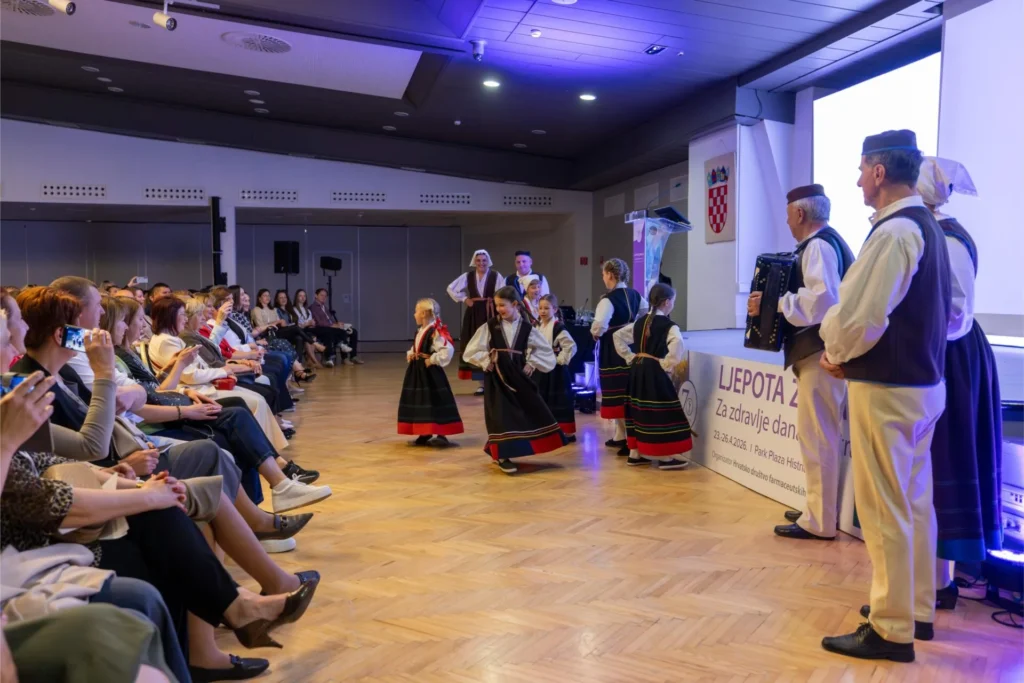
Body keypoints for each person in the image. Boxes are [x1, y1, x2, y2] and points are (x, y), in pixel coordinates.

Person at [819, 130, 951, 662]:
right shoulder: (929, 227)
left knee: (883, 509)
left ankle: (891, 627)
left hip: (888, 389)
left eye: (860, 170)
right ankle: (916, 608)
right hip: (923, 386)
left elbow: (860, 315)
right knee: (914, 504)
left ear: (879, 172)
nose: (857, 181)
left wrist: (837, 352)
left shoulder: (894, 232)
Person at [746, 184, 855, 541]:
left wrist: (775, 303)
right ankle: (817, 508)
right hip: (820, 353)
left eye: (788, 215)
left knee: (818, 436)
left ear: (799, 213)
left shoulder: (818, 246)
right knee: (818, 435)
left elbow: (823, 301)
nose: (787, 222)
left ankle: (819, 519)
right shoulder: (826, 243)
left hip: (819, 353)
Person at [917, 156, 1003, 607]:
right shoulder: (931, 232)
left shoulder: (947, 239)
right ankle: (930, 580)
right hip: (940, 352)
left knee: (944, 460)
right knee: (932, 464)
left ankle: (939, 582)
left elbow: (956, 311)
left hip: (951, 356)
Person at [463, 286, 567, 475]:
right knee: (500, 415)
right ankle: (502, 456)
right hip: (497, 377)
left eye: (502, 305)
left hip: (518, 377)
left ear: (515, 305)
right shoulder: (490, 326)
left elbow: (545, 351)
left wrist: (532, 363)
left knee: (526, 411)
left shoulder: (527, 328)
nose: (498, 309)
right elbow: (471, 350)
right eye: (497, 305)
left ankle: (506, 449)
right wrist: (485, 360)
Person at [613, 283, 691, 470]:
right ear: (666, 302)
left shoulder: (639, 322)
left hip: (637, 369)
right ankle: (664, 457)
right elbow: (677, 345)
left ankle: (635, 454)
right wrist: (666, 364)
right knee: (660, 411)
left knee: (637, 409)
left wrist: (631, 357)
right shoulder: (669, 326)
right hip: (653, 371)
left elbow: (617, 336)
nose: (673, 304)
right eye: (673, 301)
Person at [591, 258, 648, 456]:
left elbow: (600, 325)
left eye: (603, 274)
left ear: (610, 274)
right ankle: (620, 435)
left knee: (618, 393)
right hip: (630, 344)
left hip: (612, 348)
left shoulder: (607, 300)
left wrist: (595, 333)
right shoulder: (636, 295)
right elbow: (644, 313)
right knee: (625, 391)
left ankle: (628, 439)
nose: (603, 278)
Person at [397, 298, 464, 446]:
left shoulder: (435, 332)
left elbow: (447, 350)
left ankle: (441, 432)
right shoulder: (420, 331)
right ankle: (425, 431)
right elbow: (417, 347)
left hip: (430, 373)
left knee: (435, 400)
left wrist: (432, 359)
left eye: (416, 311)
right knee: (421, 400)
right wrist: (412, 354)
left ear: (423, 314)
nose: (414, 314)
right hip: (417, 372)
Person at [448, 249, 503, 395]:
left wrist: (498, 307)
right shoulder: (468, 276)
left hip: (491, 312)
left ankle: (496, 381)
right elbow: (451, 288)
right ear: (474, 261)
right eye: (478, 260)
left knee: (492, 343)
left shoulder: (495, 275)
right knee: (475, 344)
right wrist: (465, 299)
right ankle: (481, 383)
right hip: (474, 314)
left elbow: (503, 292)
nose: (481, 263)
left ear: (488, 261)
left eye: (484, 260)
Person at [534, 294, 577, 441]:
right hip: (541, 368)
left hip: (556, 372)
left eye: (546, 308)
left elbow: (571, 346)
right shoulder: (537, 326)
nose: (543, 311)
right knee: (543, 399)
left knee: (559, 400)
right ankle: (547, 430)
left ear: (555, 309)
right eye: (540, 308)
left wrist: (559, 360)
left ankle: (567, 432)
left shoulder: (558, 327)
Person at [291, 288, 348, 368]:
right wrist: (308, 323)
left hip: (310, 328)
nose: (303, 298)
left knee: (338, 330)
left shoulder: (307, 310)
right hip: (302, 329)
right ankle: (316, 360)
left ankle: (340, 344)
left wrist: (311, 323)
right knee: (325, 331)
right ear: (296, 297)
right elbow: (296, 325)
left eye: (304, 296)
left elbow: (312, 321)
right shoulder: (294, 309)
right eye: (300, 296)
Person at [309, 288, 362, 365]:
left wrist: (337, 323)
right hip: (323, 329)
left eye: (325, 296)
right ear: (316, 295)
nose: (324, 297)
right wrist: (333, 325)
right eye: (321, 295)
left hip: (330, 327)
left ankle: (353, 356)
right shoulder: (313, 307)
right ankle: (344, 357)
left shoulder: (324, 307)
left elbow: (329, 320)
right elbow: (319, 322)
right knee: (340, 331)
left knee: (353, 331)